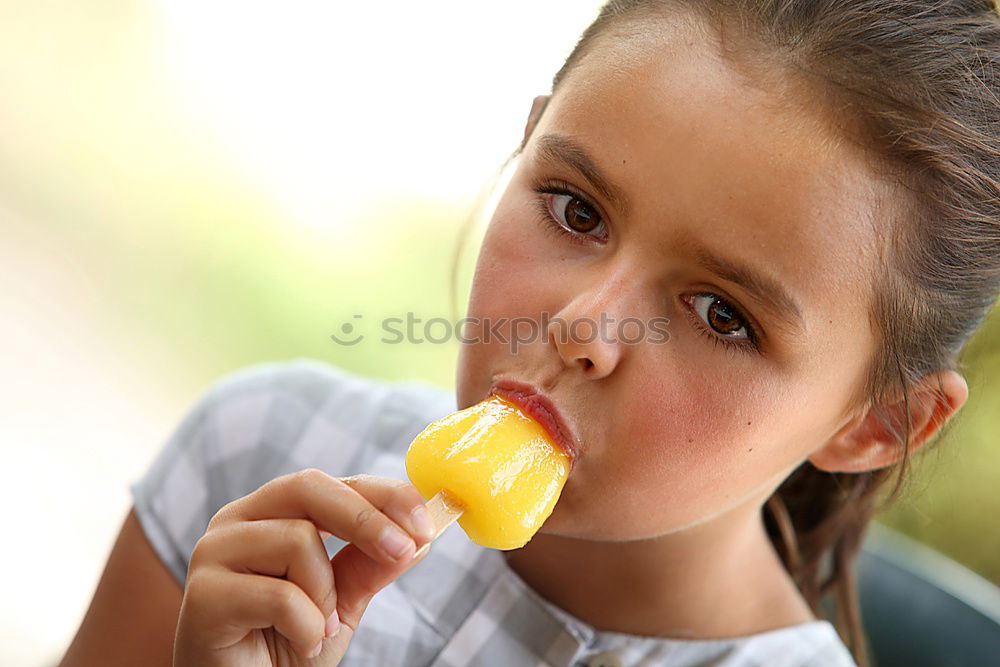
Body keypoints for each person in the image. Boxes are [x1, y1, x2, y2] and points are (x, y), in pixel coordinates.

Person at [60, 1, 1000, 665]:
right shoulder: (263, 453)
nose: (581, 325)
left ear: (874, 424)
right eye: (576, 210)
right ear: (528, 140)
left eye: (723, 314)